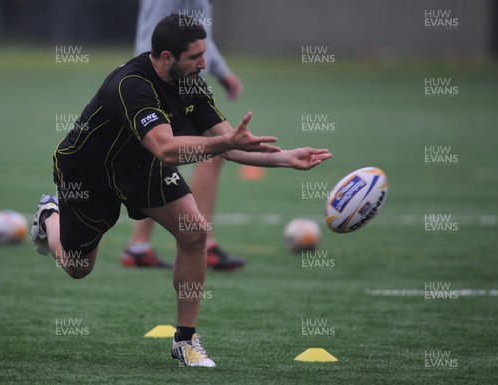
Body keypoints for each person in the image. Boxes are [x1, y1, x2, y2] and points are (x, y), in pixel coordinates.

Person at [31, 14, 331, 367]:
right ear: (167, 58)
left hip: (141, 165)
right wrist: (224, 142)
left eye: (204, 54)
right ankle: (49, 216)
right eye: (195, 57)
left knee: (195, 232)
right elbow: (166, 147)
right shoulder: (132, 84)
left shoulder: (191, 85)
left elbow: (229, 145)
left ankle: (185, 341)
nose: (204, 64)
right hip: (89, 174)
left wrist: (286, 157)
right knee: (77, 266)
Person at [123, 0, 245, 270]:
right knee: (210, 147)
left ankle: (139, 245)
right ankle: (204, 241)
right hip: (165, 80)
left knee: (166, 155)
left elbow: (193, 38)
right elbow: (169, 37)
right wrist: (156, 83)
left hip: (168, 76)